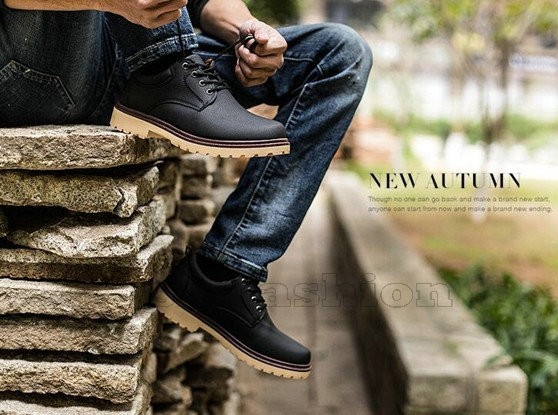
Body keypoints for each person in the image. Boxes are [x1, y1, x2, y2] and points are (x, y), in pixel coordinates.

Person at [0, 0, 372, 379]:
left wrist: (248, 32)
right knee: (159, 53)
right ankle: (166, 69)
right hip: (33, 71)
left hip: (123, 58)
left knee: (339, 54)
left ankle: (221, 274)